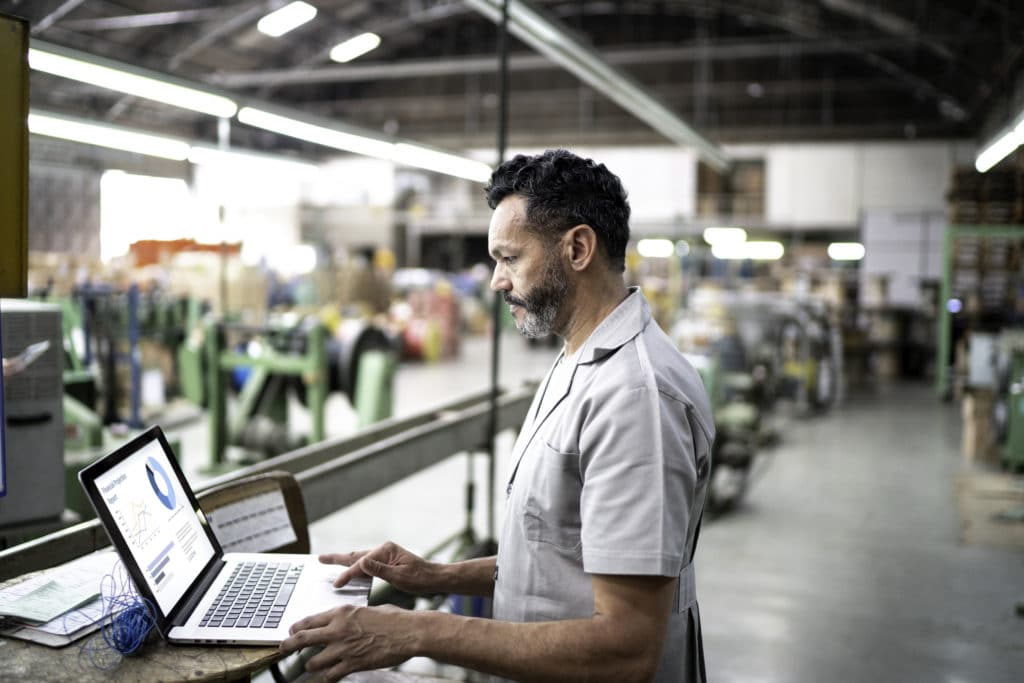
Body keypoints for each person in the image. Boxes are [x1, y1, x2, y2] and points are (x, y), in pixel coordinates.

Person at [281, 149, 715, 682]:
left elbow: (627, 647)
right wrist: (438, 575)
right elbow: (561, 561)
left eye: (509, 258)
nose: (495, 282)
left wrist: (420, 631)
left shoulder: (634, 397)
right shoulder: (579, 356)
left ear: (578, 248)